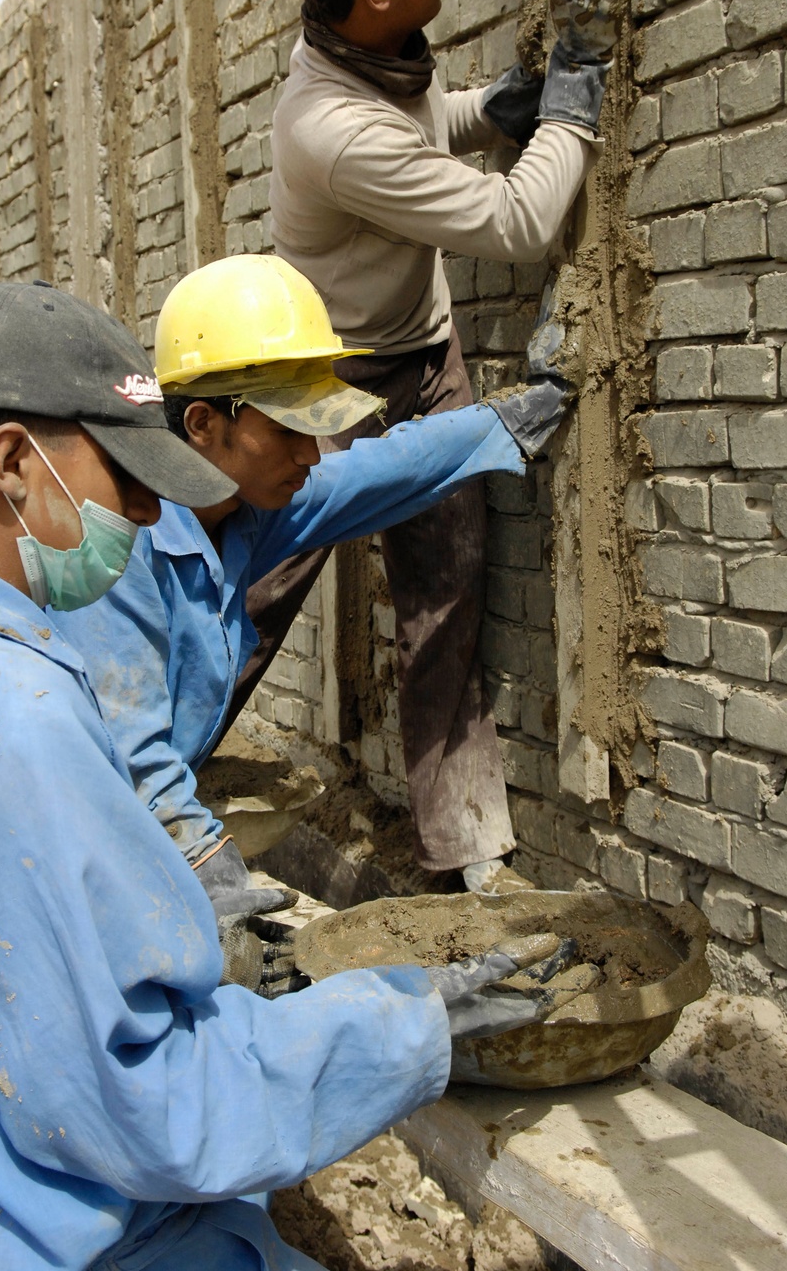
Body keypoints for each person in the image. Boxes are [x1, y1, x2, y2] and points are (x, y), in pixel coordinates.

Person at [0, 280, 590, 1271]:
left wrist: (499, 420)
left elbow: (367, 476)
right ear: (16, 467)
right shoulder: (11, 723)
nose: (153, 510)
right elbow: (147, 1101)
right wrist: (409, 1029)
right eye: (127, 476)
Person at [242, 0, 625, 892]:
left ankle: (463, 855)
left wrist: (485, 112)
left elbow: (419, 127)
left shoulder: (370, 50)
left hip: (423, 353)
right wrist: (569, 113)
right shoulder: (327, 127)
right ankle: (150, 778)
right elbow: (513, 220)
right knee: (253, 598)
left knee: (444, 607)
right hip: (326, 388)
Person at [57, 252, 571, 894]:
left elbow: (379, 471)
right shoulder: (121, 548)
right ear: (202, 422)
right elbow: (131, 765)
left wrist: (511, 418)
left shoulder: (240, 507)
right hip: (75, 849)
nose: (310, 451)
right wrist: (215, 882)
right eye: (288, 428)